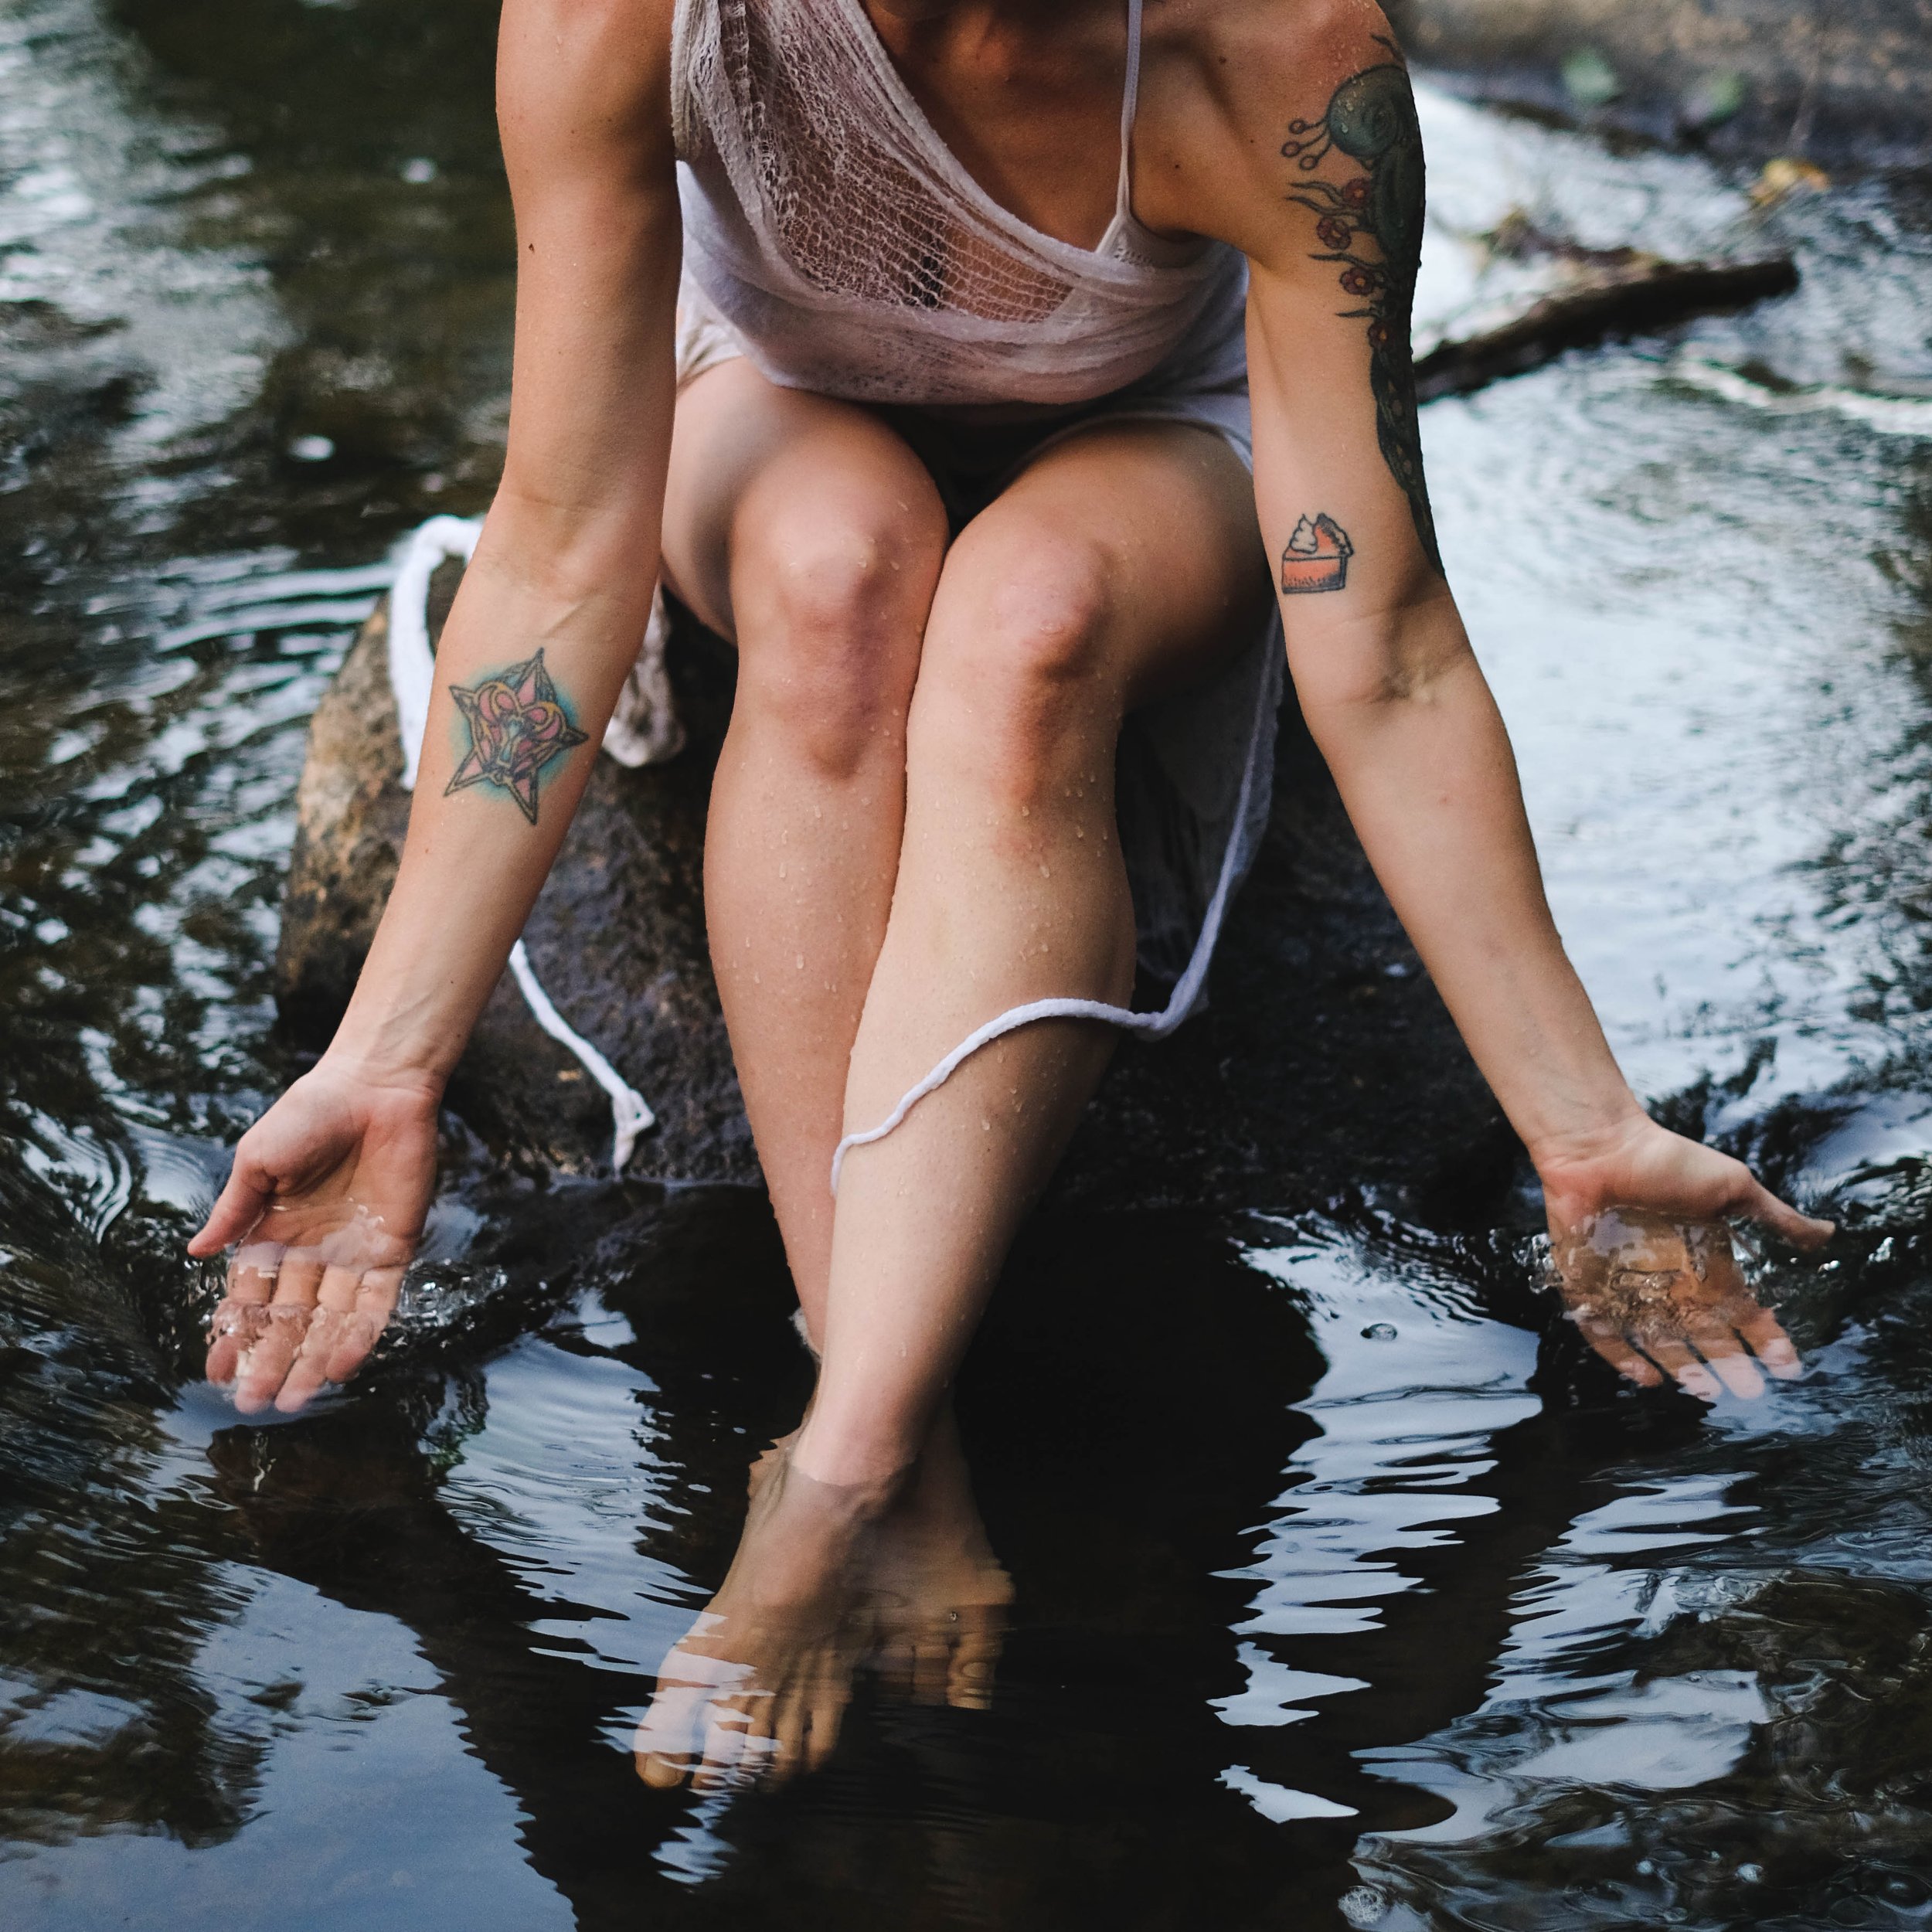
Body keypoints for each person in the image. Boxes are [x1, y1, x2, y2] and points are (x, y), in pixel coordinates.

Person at [189, 0, 1832, 1787]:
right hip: (767, 404)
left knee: (1024, 628)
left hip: (1155, 443)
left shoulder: (1277, 61)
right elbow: (567, 529)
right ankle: (893, 1436)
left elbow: (1385, 638)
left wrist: (1578, 1123)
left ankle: (839, 1459)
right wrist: (392, 1053)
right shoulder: (626, 16)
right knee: (835, 580)